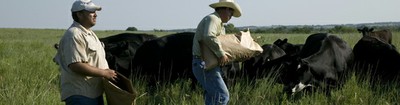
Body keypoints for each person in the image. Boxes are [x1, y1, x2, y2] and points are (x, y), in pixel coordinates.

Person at [53, 0, 117, 104]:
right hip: (81, 95)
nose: (95, 15)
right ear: (79, 14)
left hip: (93, 93)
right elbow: (76, 65)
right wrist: (104, 73)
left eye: (95, 12)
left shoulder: (89, 33)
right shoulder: (74, 34)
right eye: (91, 11)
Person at [192, 0, 242, 105]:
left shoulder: (219, 23)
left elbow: (220, 41)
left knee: (212, 97)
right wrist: (221, 53)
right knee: (222, 96)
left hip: (206, 64)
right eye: (231, 13)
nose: (231, 16)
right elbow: (209, 36)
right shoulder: (213, 19)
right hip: (205, 64)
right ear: (227, 9)